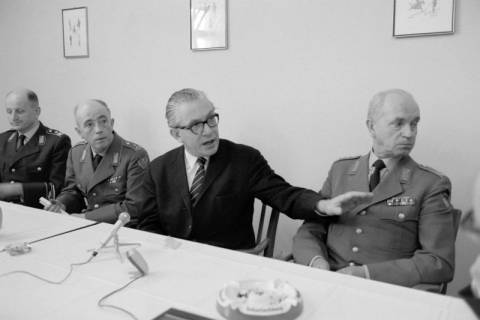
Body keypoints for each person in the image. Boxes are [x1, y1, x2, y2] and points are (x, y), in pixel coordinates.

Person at [137, 88, 372, 250]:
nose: (209, 131)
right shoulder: (159, 169)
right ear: (176, 134)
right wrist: (170, 253)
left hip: (233, 262)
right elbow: (148, 225)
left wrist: (323, 204)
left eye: (211, 119)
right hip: (179, 264)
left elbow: (284, 195)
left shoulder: (244, 159)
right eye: (196, 126)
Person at [292, 88, 456, 287]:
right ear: (371, 127)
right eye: (399, 123)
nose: (409, 133)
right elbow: (310, 229)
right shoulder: (341, 170)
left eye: (414, 124)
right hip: (328, 280)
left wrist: (365, 274)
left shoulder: (430, 183)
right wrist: (317, 263)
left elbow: (438, 262)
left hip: (384, 290)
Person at [44, 99, 149, 223]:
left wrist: (86, 218)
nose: (98, 129)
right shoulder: (76, 153)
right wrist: (61, 204)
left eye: (103, 121)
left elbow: (134, 207)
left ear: (112, 123)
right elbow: (72, 191)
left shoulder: (134, 155)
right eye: (89, 124)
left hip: (121, 228)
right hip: (86, 225)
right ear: (79, 132)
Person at [0, 88, 71, 208]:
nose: (13, 117)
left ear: (37, 111)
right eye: (9, 111)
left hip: (36, 212)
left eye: (20, 111)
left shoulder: (57, 141)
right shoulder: (3, 139)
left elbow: (57, 189)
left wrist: (17, 189)